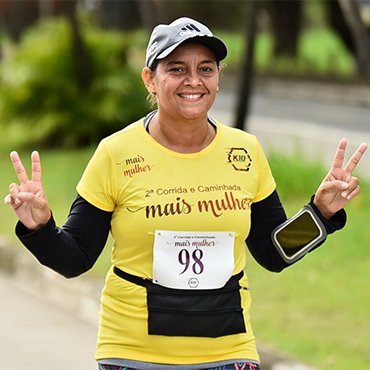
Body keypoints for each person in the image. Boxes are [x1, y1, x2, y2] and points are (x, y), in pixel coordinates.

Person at [4, 17, 368, 370]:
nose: (193, 81)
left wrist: (321, 214)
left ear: (218, 78)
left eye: (206, 69)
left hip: (228, 350)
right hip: (134, 353)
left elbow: (273, 252)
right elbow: (76, 259)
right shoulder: (115, 153)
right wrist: (41, 228)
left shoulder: (245, 152)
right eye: (176, 69)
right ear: (150, 78)